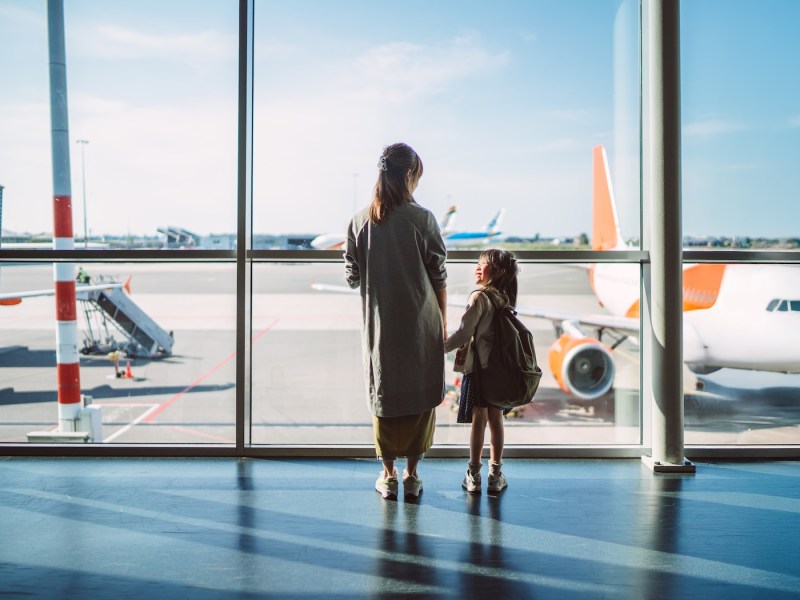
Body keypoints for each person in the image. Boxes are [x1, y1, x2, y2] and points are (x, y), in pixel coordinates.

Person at [345, 142, 448, 500]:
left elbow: (352, 275)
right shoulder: (423, 219)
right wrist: (441, 323)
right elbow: (439, 277)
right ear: (408, 175)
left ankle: (387, 474)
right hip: (421, 322)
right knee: (420, 399)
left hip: (381, 325)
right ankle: (412, 474)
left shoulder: (360, 221)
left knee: (384, 396)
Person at [444, 249, 519, 493]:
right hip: (499, 371)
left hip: (479, 370)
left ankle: (474, 475)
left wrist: (440, 348)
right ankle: (495, 475)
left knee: (479, 422)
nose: (477, 267)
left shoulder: (479, 297)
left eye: (482, 264)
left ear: (497, 271)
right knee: (496, 421)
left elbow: (464, 333)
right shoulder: (504, 298)